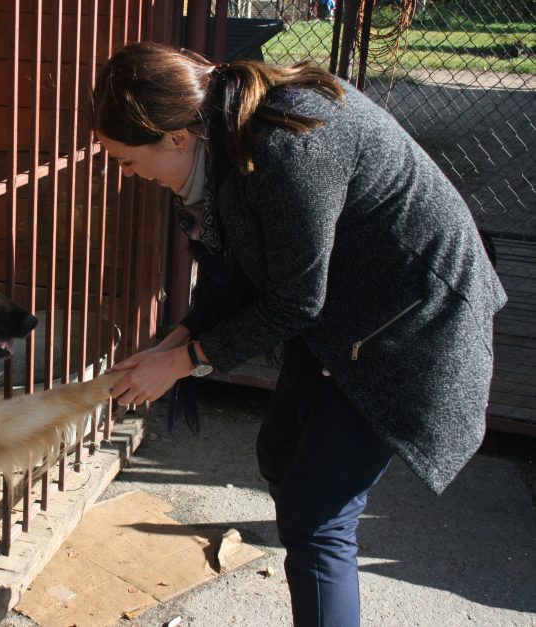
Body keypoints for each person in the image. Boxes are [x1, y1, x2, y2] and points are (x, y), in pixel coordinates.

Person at [96, 42, 506, 626]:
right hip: (346, 316)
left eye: (128, 161)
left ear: (176, 138)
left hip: (409, 331)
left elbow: (293, 300)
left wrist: (187, 360)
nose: (131, 177)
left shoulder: (285, 144)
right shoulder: (224, 136)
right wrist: (177, 340)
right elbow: (238, 269)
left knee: (317, 519)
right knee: (282, 453)